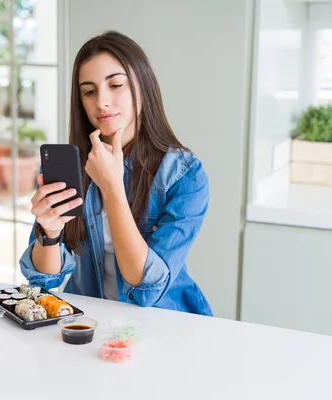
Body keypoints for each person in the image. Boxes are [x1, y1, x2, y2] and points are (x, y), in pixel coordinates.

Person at [19, 30, 213, 316]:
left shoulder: (185, 176)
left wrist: (112, 187)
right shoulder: (71, 170)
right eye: (89, 91)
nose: (102, 102)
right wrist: (50, 231)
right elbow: (45, 280)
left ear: (142, 86)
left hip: (165, 324)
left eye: (116, 85)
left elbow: (146, 286)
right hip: (89, 325)